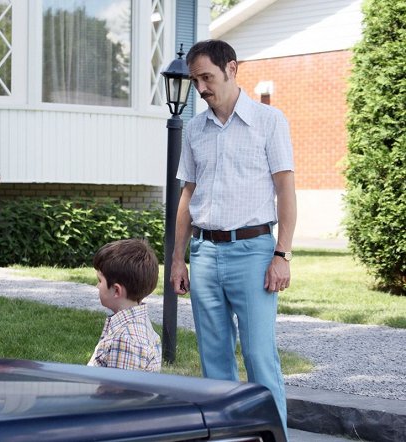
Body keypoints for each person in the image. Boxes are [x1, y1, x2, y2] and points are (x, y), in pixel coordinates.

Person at [169, 39, 296, 433]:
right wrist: (178, 258)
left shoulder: (269, 121)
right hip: (205, 254)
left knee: (259, 357)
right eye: (196, 80)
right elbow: (187, 194)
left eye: (207, 77)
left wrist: (282, 255)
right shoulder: (195, 129)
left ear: (232, 69)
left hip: (254, 253)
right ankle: (229, 439)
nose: (202, 88)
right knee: (215, 360)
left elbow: (285, 190)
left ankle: (275, 438)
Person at [88, 238, 162, 372]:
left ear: (116, 290)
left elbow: (119, 391)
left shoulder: (127, 339)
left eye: (100, 281)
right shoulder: (129, 326)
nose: (97, 286)